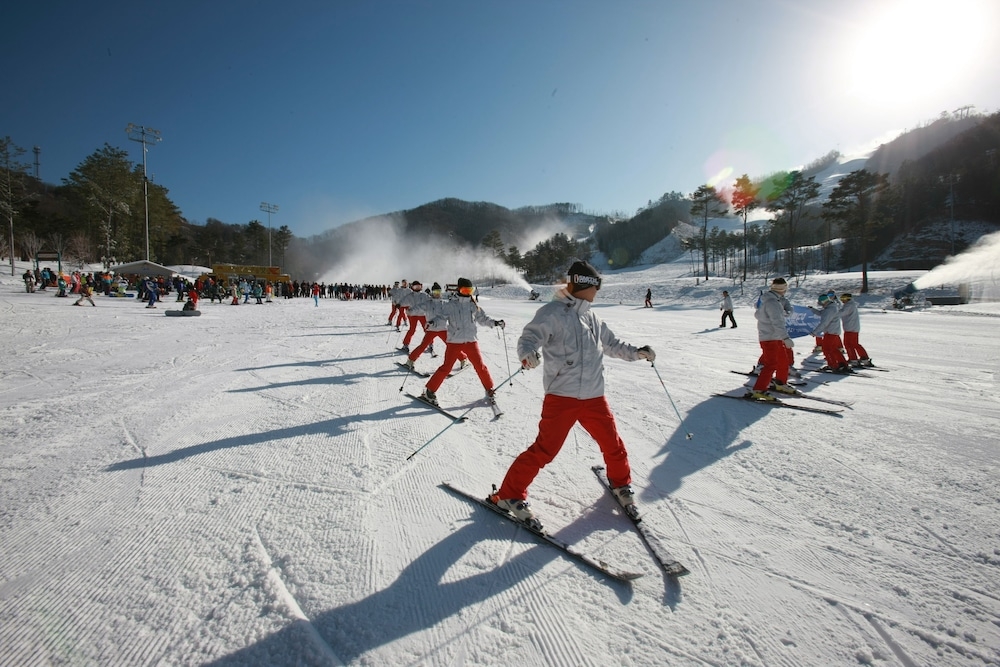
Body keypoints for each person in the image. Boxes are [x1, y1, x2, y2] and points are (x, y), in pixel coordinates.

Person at [490, 260, 656, 529]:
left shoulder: (592, 317)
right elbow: (529, 338)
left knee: (612, 444)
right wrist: (527, 354)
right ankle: (509, 494)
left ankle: (621, 484)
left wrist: (637, 352)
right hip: (562, 396)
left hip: (593, 397)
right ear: (585, 285)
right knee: (544, 450)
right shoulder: (552, 313)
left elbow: (613, 345)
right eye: (596, 286)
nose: (598, 291)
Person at [420, 278, 503, 406]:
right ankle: (430, 391)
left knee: (480, 366)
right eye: (465, 290)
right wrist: (432, 322)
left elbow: (483, 319)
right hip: (455, 341)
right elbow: (441, 317)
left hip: (471, 340)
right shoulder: (450, 305)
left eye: (470, 290)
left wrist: (495, 323)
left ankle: (489, 389)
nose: (468, 292)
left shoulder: (472, 305)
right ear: (459, 289)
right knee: (446, 367)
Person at [747, 278, 798, 400]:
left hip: (774, 337)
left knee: (783, 361)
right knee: (771, 364)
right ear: (783, 289)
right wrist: (785, 337)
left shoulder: (774, 300)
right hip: (769, 337)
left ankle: (780, 382)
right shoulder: (772, 303)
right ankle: (759, 389)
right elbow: (777, 322)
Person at [810, 293, 850, 372]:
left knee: (827, 349)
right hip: (833, 331)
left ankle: (833, 365)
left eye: (820, 302)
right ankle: (842, 363)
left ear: (824, 301)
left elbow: (824, 322)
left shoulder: (829, 310)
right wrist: (812, 309)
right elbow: (822, 314)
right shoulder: (831, 308)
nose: (820, 304)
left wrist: (815, 332)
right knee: (833, 349)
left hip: (830, 332)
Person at [839, 293, 873, 367]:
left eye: (843, 299)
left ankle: (853, 359)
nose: (842, 301)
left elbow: (841, 313)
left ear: (848, 299)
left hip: (850, 328)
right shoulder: (852, 305)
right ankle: (864, 357)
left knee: (848, 344)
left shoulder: (848, 305)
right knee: (855, 344)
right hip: (854, 328)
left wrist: (833, 314)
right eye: (842, 299)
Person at [398, 280, 429, 352]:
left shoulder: (424, 295)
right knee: (412, 330)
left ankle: (430, 344)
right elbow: (404, 300)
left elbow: (430, 301)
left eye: (418, 286)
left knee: (426, 329)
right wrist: (400, 304)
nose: (417, 288)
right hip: (413, 314)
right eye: (415, 287)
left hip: (422, 314)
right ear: (412, 287)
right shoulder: (410, 296)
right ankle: (405, 344)